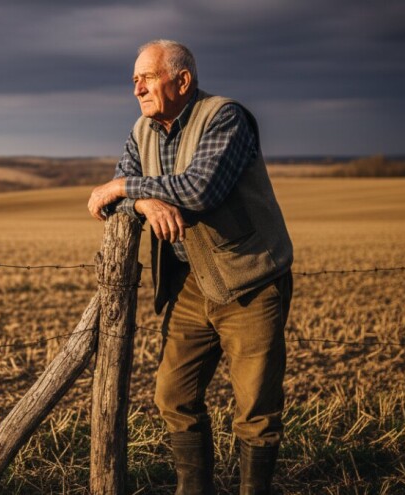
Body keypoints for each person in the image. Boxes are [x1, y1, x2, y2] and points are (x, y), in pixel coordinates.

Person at [87, 39, 293, 495]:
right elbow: (113, 203)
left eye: (147, 78)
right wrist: (143, 201)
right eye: (134, 80)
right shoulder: (141, 130)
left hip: (248, 278)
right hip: (189, 283)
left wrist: (125, 187)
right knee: (173, 396)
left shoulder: (225, 117)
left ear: (182, 81)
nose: (137, 89)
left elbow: (200, 189)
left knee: (255, 409)